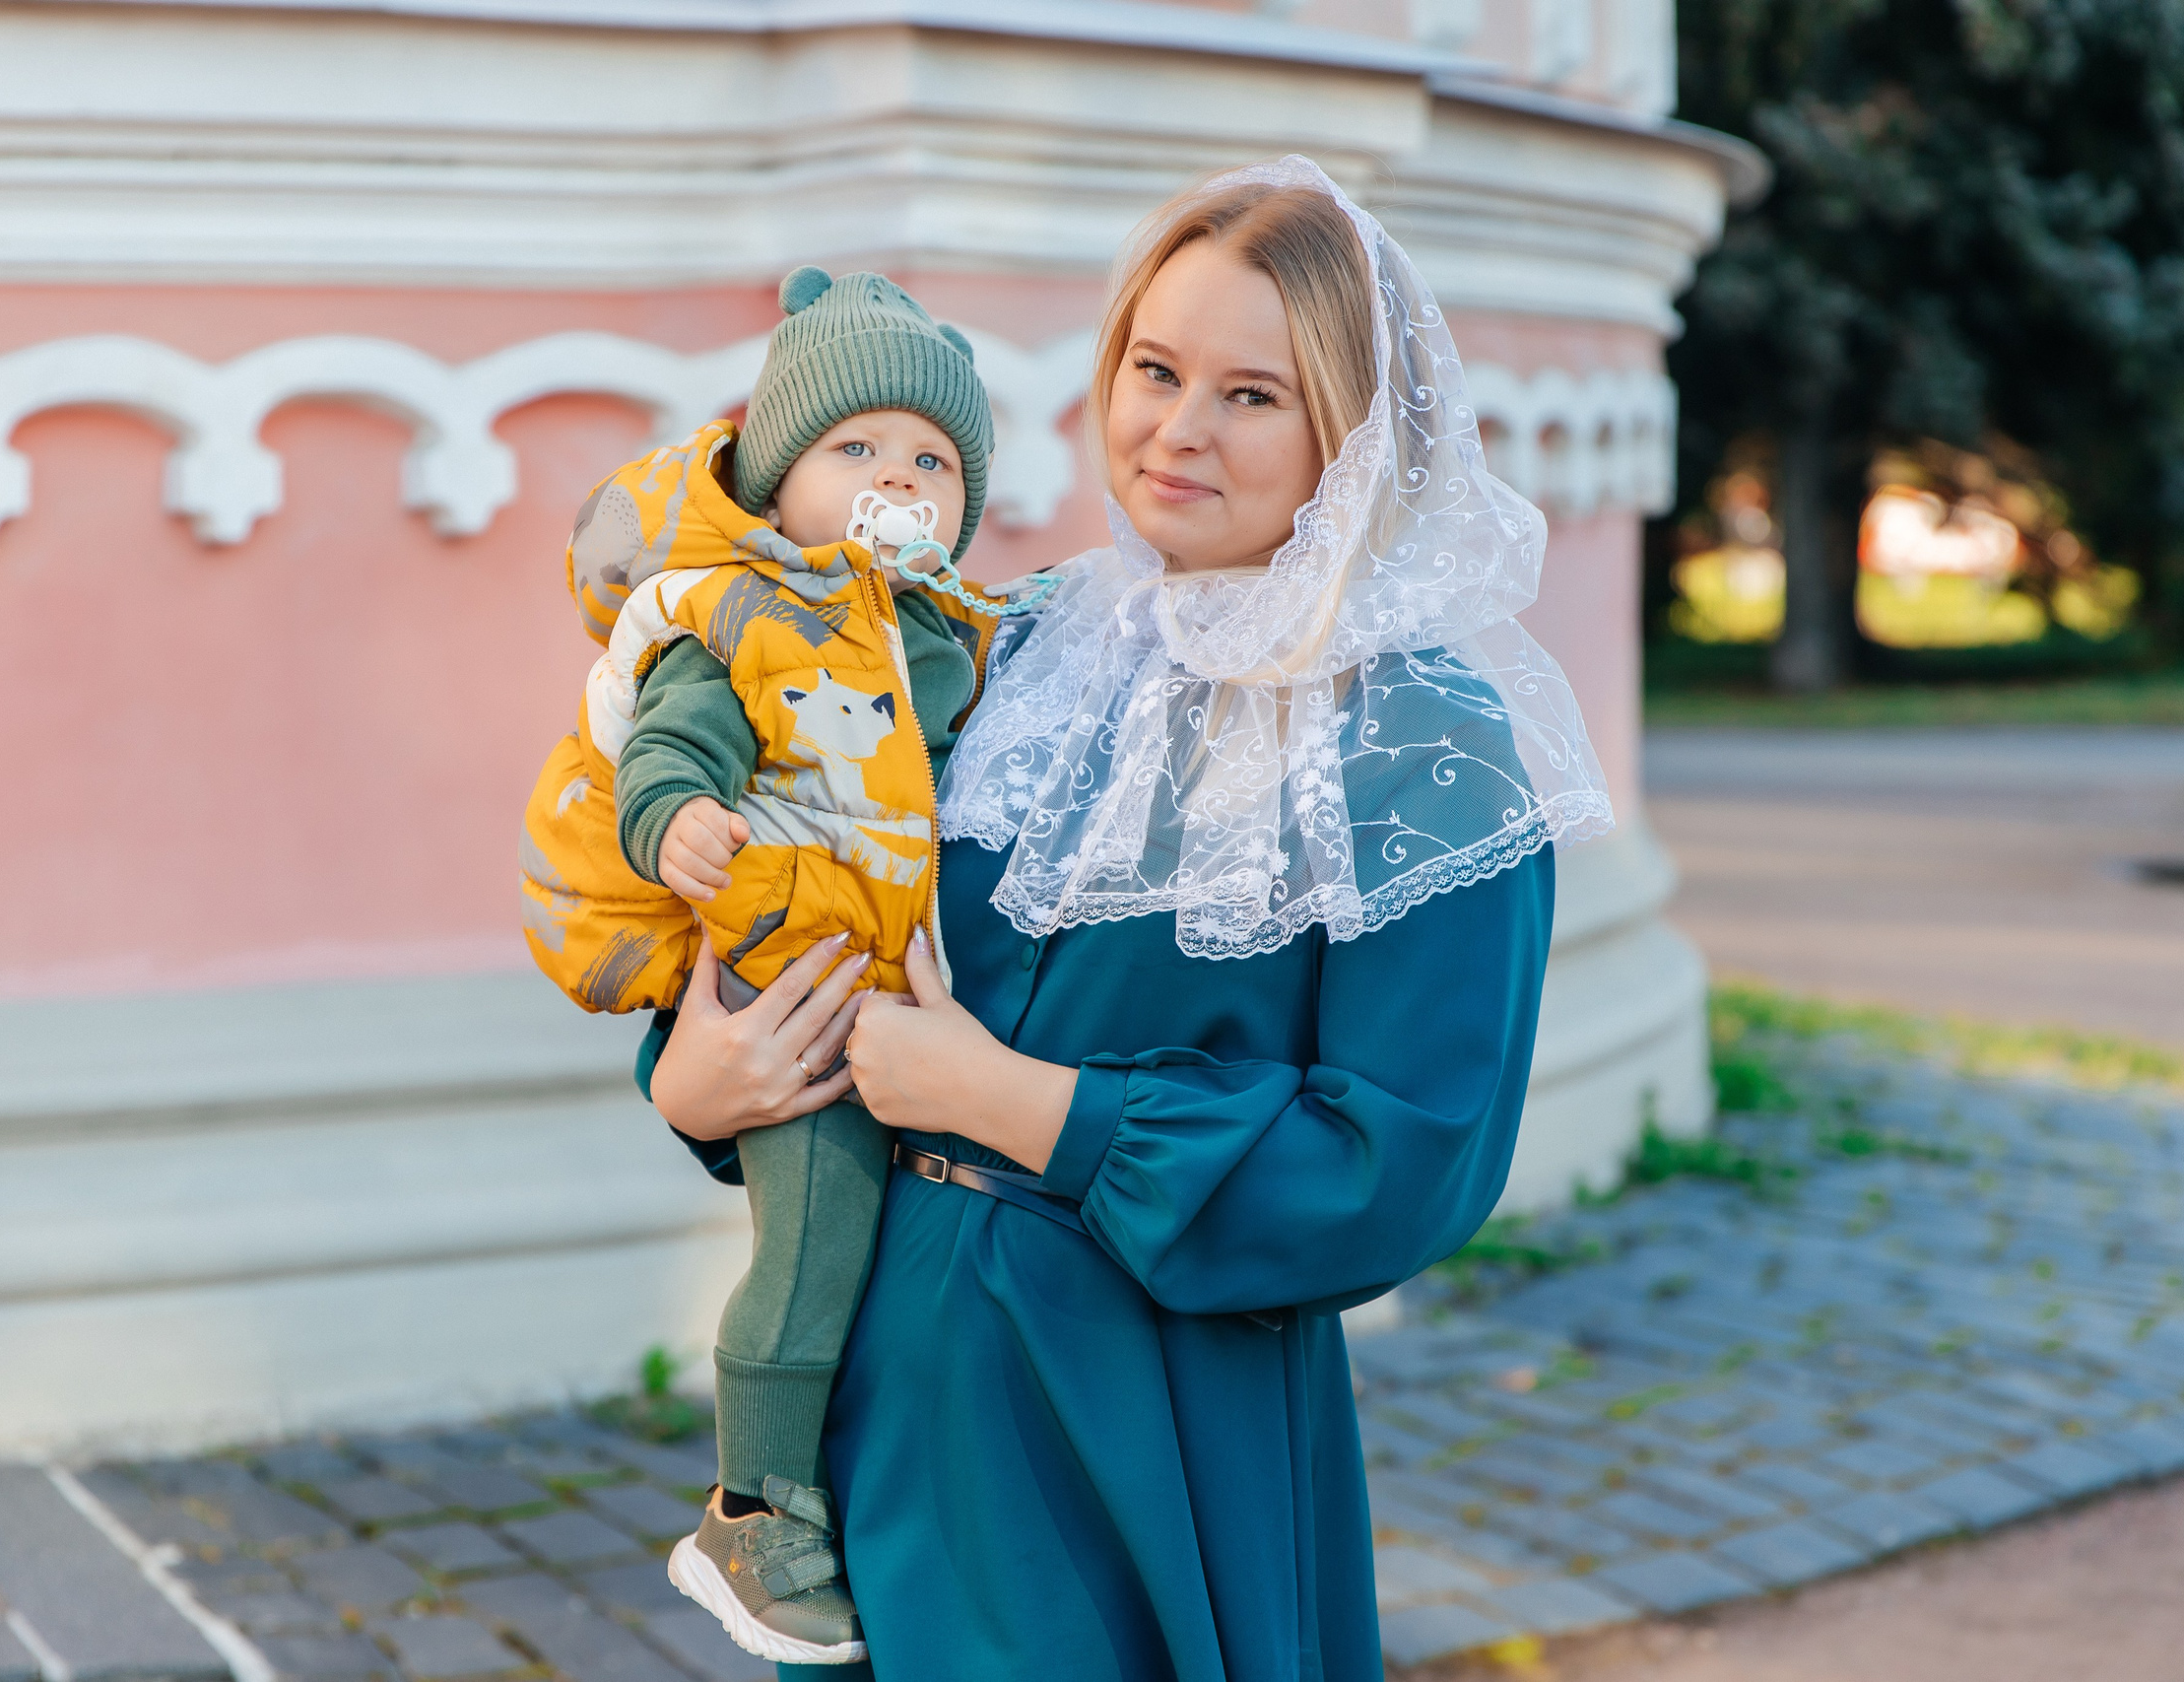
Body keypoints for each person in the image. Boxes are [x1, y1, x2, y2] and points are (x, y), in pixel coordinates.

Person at [647, 156, 1616, 1680]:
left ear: (1351, 435)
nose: (1178, 428)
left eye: (1253, 394)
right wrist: (699, 1083)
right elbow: (807, 906)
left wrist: (1021, 1105)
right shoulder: (998, 647)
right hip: (878, 1386)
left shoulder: (1422, 746)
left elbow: (1403, 1162)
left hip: (1145, 1417)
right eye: (1155, 370)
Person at [519, 266, 1047, 1666]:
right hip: (781, 969)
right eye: (855, 448)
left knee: (873, 1256)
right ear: (776, 476)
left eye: (933, 460)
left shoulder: (948, 632)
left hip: (887, 981)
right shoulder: (740, 609)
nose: (898, 478)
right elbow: (671, 738)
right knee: (813, 1247)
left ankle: (826, 1495)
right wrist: (674, 817)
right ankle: (752, 1515)